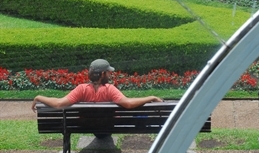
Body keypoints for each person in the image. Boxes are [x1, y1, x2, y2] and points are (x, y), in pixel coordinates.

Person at [31, 59, 163, 112]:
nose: (110, 75)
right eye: (108, 73)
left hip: (85, 126)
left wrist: (39, 97)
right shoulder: (109, 89)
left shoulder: (81, 89)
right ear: (102, 74)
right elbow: (128, 103)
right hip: (108, 126)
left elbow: (59, 104)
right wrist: (151, 97)